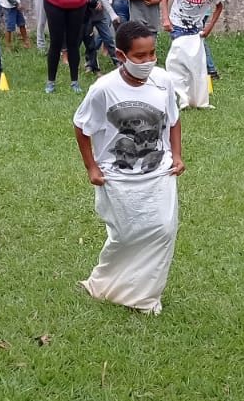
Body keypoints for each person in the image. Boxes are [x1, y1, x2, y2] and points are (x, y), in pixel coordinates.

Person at [73, 20, 185, 315]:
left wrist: (176, 155)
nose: (148, 61)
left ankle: (146, 298)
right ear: (120, 55)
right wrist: (91, 168)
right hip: (119, 176)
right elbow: (81, 126)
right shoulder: (104, 89)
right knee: (126, 235)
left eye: (152, 54)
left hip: (158, 170)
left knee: (162, 228)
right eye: (139, 56)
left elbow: (173, 119)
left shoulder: (163, 80)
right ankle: (107, 284)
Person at [161, 0, 224, 109]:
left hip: (196, 28)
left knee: (195, 63)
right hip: (178, 25)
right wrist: (166, 19)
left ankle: (198, 99)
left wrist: (208, 28)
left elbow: (219, 6)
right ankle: (182, 99)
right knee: (179, 61)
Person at [176, 0, 221, 81]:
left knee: (196, 40)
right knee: (198, 40)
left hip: (192, 14)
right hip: (204, 12)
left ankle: (209, 70)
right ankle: (203, 70)